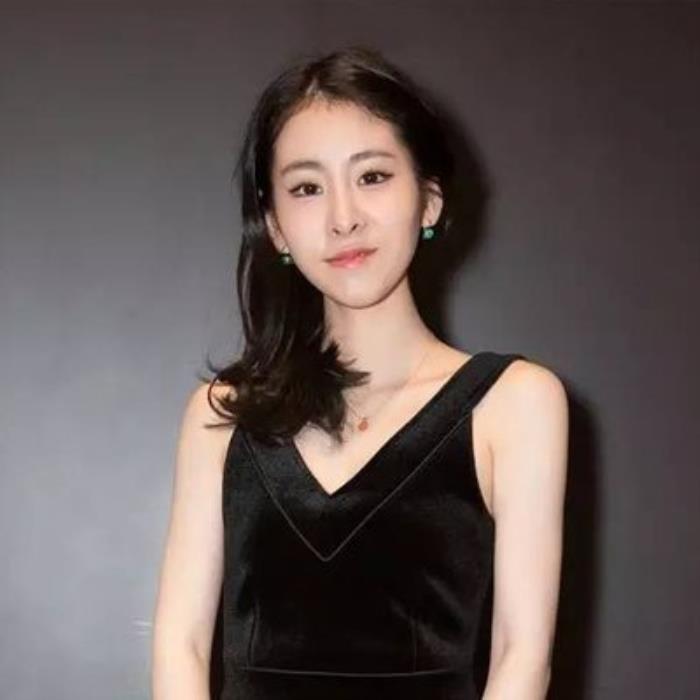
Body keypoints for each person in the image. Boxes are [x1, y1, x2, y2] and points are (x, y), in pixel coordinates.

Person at [151, 45, 569, 700]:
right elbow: (181, 646)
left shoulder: (514, 403)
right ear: (275, 227)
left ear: (429, 200)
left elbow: (523, 658)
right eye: (307, 188)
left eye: (372, 176)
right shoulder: (221, 415)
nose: (343, 217)